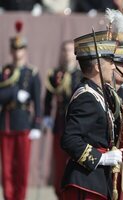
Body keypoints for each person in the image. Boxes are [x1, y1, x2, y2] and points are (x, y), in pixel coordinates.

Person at [60, 30, 123, 200]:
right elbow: (70, 139)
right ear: (97, 66)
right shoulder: (87, 97)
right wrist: (101, 158)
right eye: (109, 61)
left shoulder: (101, 93)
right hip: (86, 183)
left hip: (97, 180)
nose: (112, 66)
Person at [0, 21, 41, 200]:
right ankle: (9, 197)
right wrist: (15, 93)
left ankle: (20, 197)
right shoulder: (5, 72)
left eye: (21, 49)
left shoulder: (32, 73)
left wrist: (37, 125)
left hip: (24, 122)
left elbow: (37, 101)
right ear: (11, 51)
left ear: (25, 50)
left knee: (22, 168)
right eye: (15, 49)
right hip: (6, 122)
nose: (17, 53)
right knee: (7, 168)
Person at [43, 40, 81, 199]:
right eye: (65, 50)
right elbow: (48, 98)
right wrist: (46, 116)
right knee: (59, 165)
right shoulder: (55, 74)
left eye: (71, 50)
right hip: (59, 125)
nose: (67, 54)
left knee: (75, 163)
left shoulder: (81, 74)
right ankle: (60, 194)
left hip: (77, 127)